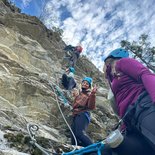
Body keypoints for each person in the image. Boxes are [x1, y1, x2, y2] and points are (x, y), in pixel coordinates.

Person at [102, 48, 155, 155]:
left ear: (110, 59)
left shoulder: (123, 62)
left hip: (144, 108)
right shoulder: (113, 80)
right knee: (109, 150)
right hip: (131, 123)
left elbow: (145, 75)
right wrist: (123, 127)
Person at [70, 77, 97, 147]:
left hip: (83, 114)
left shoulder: (90, 94)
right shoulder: (80, 94)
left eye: (87, 83)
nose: (84, 84)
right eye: (83, 82)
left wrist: (93, 94)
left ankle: (94, 148)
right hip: (75, 115)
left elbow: (91, 106)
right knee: (73, 139)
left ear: (89, 86)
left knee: (79, 134)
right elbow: (75, 105)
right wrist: (76, 97)